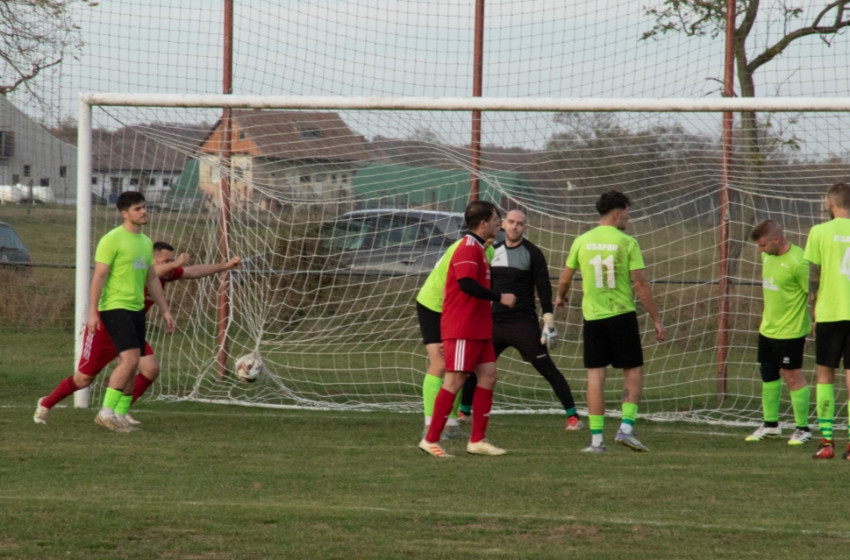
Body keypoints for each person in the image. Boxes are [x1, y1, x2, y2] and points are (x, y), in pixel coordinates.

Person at [34, 237, 241, 428]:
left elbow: (193, 271)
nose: (170, 264)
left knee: (150, 369)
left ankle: (117, 412)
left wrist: (225, 266)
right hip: (106, 328)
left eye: (171, 259)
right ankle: (46, 403)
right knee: (84, 380)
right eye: (165, 260)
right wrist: (176, 263)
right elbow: (153, 272)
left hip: (130, 328)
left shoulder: (165, 274)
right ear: (151, 259)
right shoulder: (139, 269)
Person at [555, 190, 665, 453]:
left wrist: (561, 297)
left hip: (593, 318)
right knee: (633, 369)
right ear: (617, 213)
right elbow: (639, 283)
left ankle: (596, 440)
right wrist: (657, 319)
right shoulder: (627, 242)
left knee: (595, 375)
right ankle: (626, 428)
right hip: (621, 315)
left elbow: (565, 278)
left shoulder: (582, 240)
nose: (629, 217)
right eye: (627, 212)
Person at [458, 209, 582, 430]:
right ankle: (464, 412)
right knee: (476, 368)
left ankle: (573, 416)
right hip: (494, 322)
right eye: (511, 222)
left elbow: (543, 288)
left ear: (525, 228)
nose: (515, 226)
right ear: (503, 224)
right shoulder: (490, 251)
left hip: (522, 323)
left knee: (546, 368)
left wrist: (548, 320)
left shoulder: (533, 253)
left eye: (520, 223)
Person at [418, 200, 515, 458]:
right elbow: (465, 285)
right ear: (483, 223)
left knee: (489, 376)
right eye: (496, 218)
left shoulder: (481, 249)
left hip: (479, 328)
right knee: (454, 379)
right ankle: (430, 438)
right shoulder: (467, 248)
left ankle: (477, 440)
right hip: (463, 327)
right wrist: (499, 297)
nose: (500, 223)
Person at [415, 236, 496, 441]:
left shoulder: (488, 251)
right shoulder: (463, 249)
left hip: (456, 311)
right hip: (435, 305)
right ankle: (429, 425)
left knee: (460, 367)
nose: (500, 226)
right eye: (497, 221)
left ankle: (450, 424)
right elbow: (447, 286)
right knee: (440, 363)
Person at [745, 219, 812, 445]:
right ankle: (770, 424)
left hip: (791, 331)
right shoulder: (767, 256)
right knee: (767, 374)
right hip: (768, 329)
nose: (760, 250)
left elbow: (813, 293)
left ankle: (803, 428)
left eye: (763, 245)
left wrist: (818, 319)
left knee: (792, 376)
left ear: (777, 239)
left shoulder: (799, 261)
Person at [803, 182, 850, 460]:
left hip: (830, 313)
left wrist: (813, 311)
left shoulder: (819, 232)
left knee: (824, 376)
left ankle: (827, 442)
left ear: (831, 204)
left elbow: (814, 275)